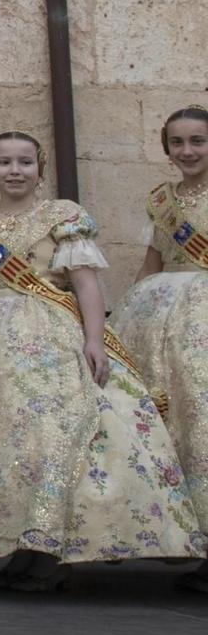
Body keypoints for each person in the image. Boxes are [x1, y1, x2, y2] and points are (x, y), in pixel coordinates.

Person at [0, 130, 202, 592]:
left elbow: (86, 284)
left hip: (47, 339)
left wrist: (94, 340)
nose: (15, 171)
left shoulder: (64, 217)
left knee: (49, 440)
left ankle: (54, 552)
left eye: (25, 163)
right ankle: (18, 548)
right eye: (4, 163)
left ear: (41, 167)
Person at [112, 106, 208, 593]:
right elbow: (151, 261)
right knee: (160, 420)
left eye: (198, 141)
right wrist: (120, 323)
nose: (187, 151)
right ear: (165, 145)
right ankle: (177, 531)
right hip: (156, 315)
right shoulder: (160, 200)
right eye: (178, 143)